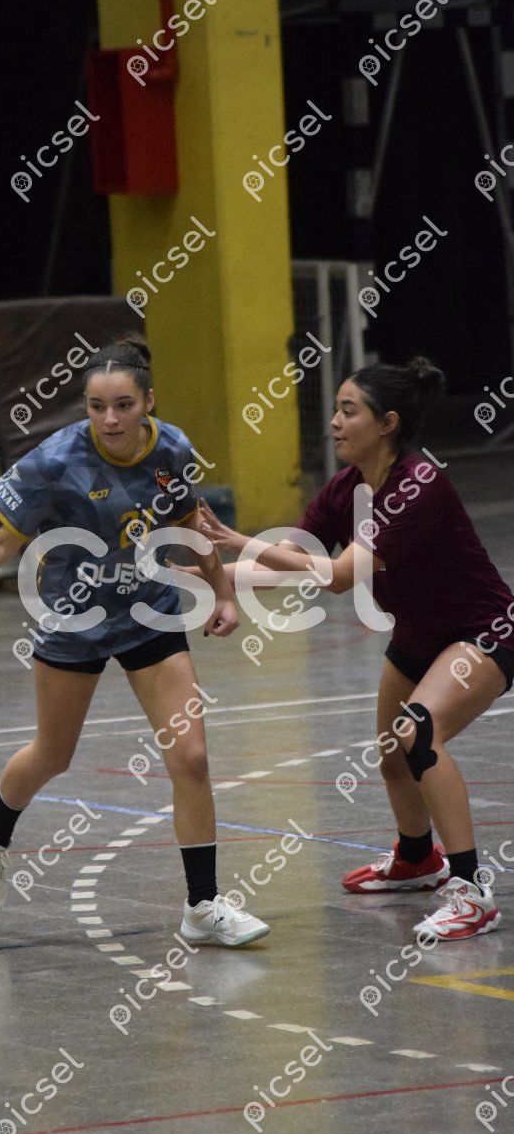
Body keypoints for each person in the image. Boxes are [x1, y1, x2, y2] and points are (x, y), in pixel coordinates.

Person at [0, 337, 269, 947]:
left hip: (150, 614)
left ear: (148, 402)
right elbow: (2, 544)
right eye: (96, 406)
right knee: (53, 755)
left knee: (191, 758)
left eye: (123, 405)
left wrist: (222, 593)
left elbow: (191, 524)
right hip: (73, 619)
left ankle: (202, 905)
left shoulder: (173, 449)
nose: (110, 419)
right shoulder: (54, 461)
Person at [196, 357, 514, 941]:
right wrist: (203, 578)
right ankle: (417, 859)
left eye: (349, 411)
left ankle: (473, 893)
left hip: (484, 631)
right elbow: (289, 561)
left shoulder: (417, 485)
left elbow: (340, 576)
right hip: (417, 636)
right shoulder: (345, 489)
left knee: (420, 732)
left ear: (387, 423)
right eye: (337, 410)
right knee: (393, 754)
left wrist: (237, 539)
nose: (335, 422)